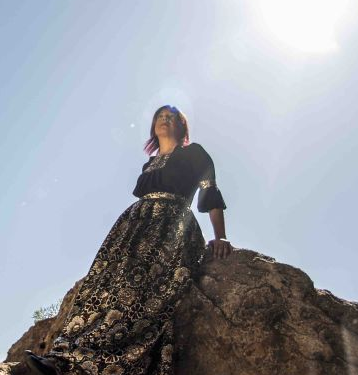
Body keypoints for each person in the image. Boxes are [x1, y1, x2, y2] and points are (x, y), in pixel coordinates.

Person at [26, 105, 231, 375]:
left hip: (172, 228)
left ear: (182, 127)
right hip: (133, 228)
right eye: (160, 117)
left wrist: (221, 237)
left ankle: (89, 365)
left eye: (171, 117)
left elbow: (210, 193)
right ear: (153, 127)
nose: (164, 120)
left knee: (136, 293)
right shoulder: (150, 164)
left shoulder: (194, 153)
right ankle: (63, 356)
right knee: (101, 289)